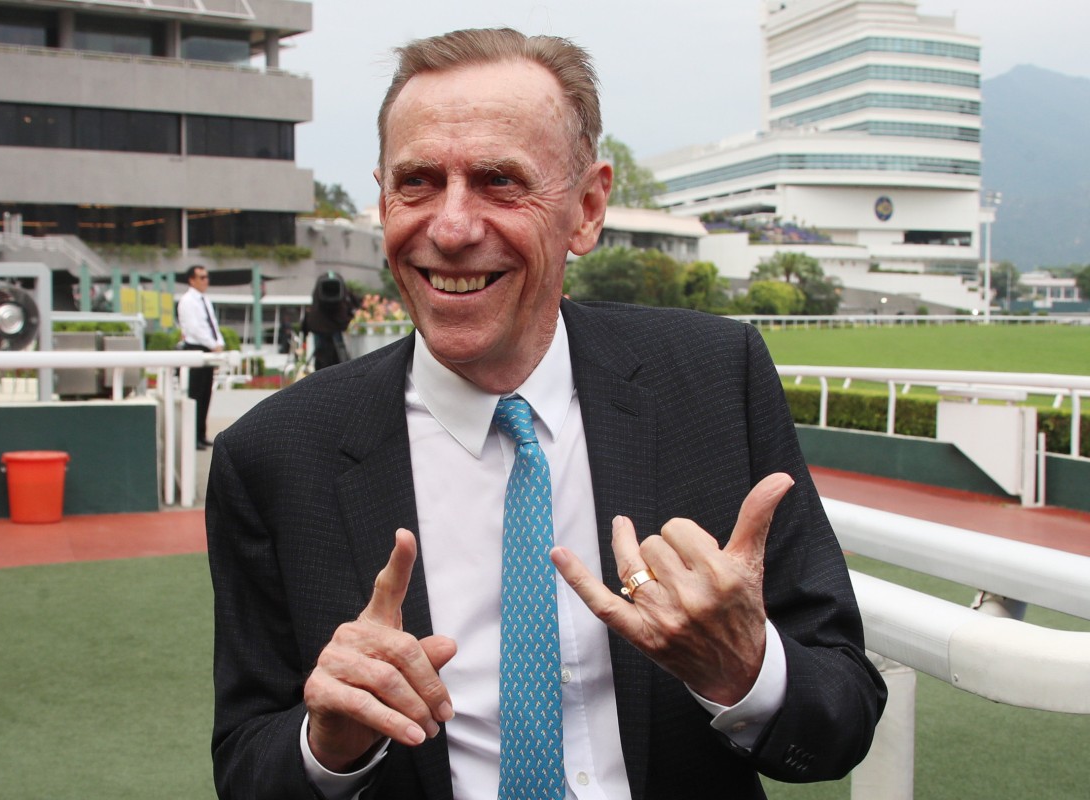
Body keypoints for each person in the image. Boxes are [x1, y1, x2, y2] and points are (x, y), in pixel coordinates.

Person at [207, 28, 885, 799]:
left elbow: (844, 712)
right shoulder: (270, 456)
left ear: (588, 209)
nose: (453, 228)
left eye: (499, 182)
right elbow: (247, 765)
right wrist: (327, 744)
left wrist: (744, 669)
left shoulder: (713, 382)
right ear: (383, 198)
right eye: (418, 182)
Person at [177, 264, 224, 451]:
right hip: (196, 349)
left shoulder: (204, 300)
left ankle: (201, 434)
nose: (206, 280)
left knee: (206, 394)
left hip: (208, 350)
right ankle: (193, 436)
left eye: (207, 277)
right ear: (192, 280)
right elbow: (194, 329)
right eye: (202, 277)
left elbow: (212, 324)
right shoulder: (187, 301)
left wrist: (218, 343)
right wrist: (213, 345)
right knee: (195, 395)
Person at [302, 270, 358, 370]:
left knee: (321, 358)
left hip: (319, 327)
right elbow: (353, 305)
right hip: (335, 326)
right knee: (341, 360)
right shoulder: (344, 294)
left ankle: (321, 376)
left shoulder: (317, 297)